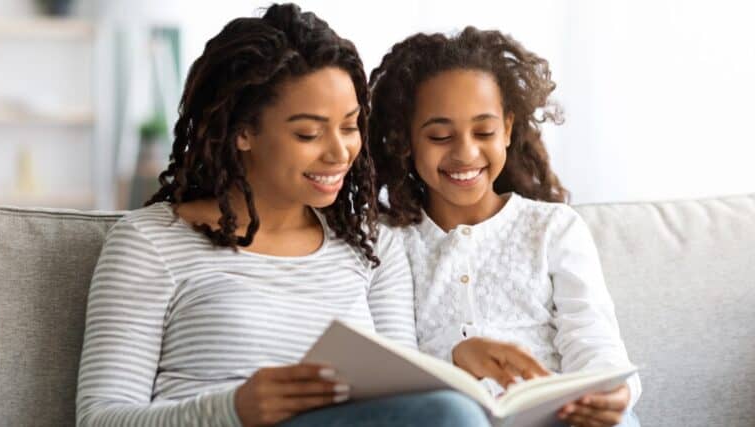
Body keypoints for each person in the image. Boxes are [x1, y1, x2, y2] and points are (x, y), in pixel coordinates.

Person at [76, 5, 490, 426]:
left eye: (349, 127)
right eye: (307, 133)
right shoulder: (149, 243)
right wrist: (232, 410)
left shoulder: (372, 246)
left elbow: (405, 400)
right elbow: (99, 419)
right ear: (242, 132)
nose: (339, 152)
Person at [368, 27, 642, 427]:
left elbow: (594, 342)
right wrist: (457, 357)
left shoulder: (553, 228)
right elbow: (393, 373)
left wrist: (613, 393)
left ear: (508, 129)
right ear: (406, 140)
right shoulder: (391, 242)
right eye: (440, 135)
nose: (465, 152)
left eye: (484, 132)